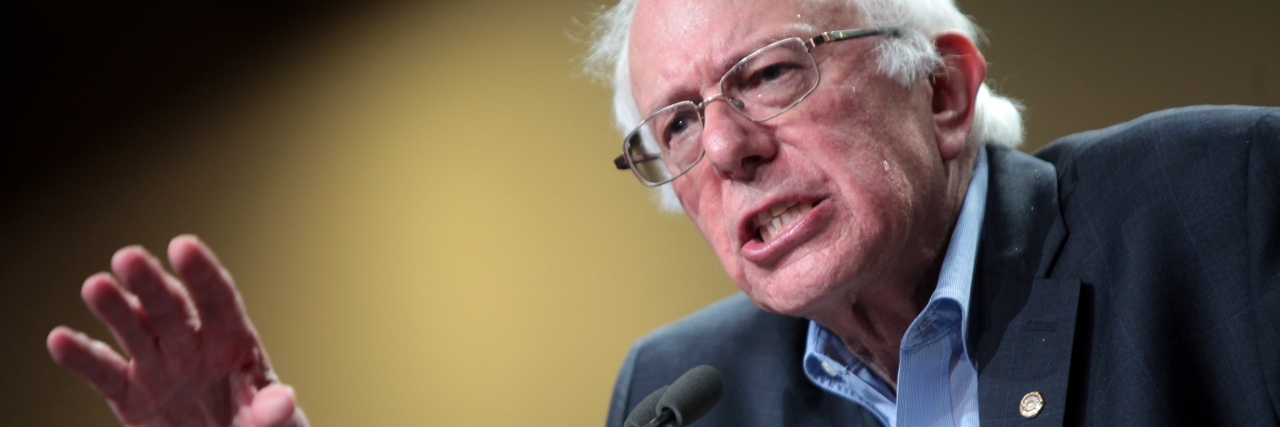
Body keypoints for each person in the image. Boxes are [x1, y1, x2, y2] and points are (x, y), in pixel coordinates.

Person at [48, 0, 1279, 427]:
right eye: (676, 125)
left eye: (770, 73)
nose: (728, 149)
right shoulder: (684, 393)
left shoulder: (1215, 201)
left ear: (945, 88)